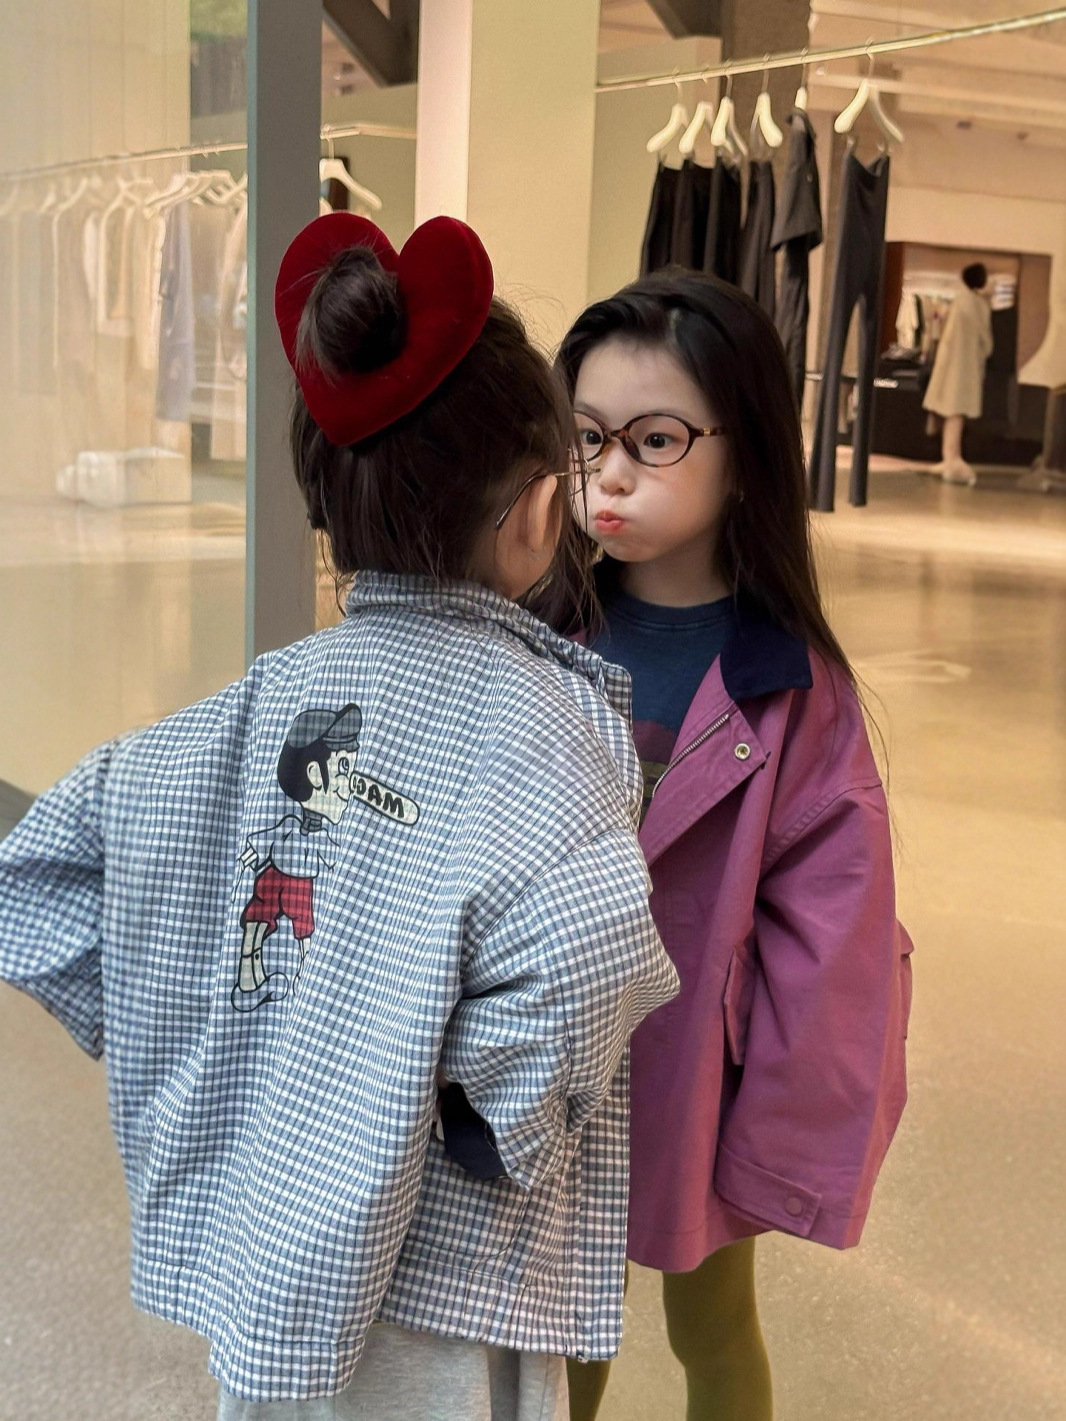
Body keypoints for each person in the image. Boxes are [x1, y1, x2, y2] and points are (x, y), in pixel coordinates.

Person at [0, 213, 680, 1419]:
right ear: (538, 510)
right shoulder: (552, 728)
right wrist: (471, 1111)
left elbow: (48, 863)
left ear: (329, 510)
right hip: (450, 1281)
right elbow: (585, 948)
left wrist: (197, 1016)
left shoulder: (258, 702)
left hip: (268, 1245)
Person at [549, 271, 913, 1421]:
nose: (609, 474)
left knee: (708, 1321)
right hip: (544, 1058)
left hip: (694, 1072)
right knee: (560, 1319)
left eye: (654, 440)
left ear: (743, 452)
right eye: (586, 437)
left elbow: (836, 944)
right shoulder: (539, 637)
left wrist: (777, 1130)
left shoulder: (793, 687)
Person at [922, 262, 993, 486]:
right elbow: (986, 343)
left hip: (951, 366)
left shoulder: (960, 303)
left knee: (951, 412)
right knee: (956, 412)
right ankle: (951, 460)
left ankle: (950, 459)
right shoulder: (979, 306)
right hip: (967, 368)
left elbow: (948, 340)